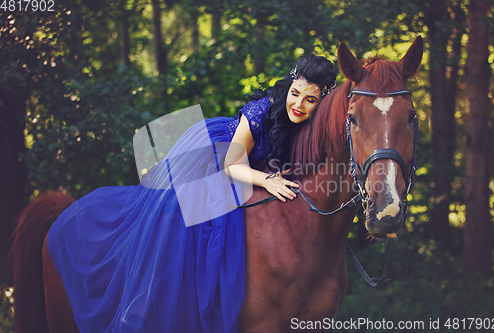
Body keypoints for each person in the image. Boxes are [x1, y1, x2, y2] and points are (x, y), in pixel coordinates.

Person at [47, 54, 338, 333]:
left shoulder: (313, 123)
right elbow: (232, 165)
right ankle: (146, 301)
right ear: (289, 86)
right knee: (184, 224)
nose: (298, 104)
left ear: (321, 102)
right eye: (295, 93)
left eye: (310, 99)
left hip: (258, 166)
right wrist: (268, 181)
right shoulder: (262, 111)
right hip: (220, 159)